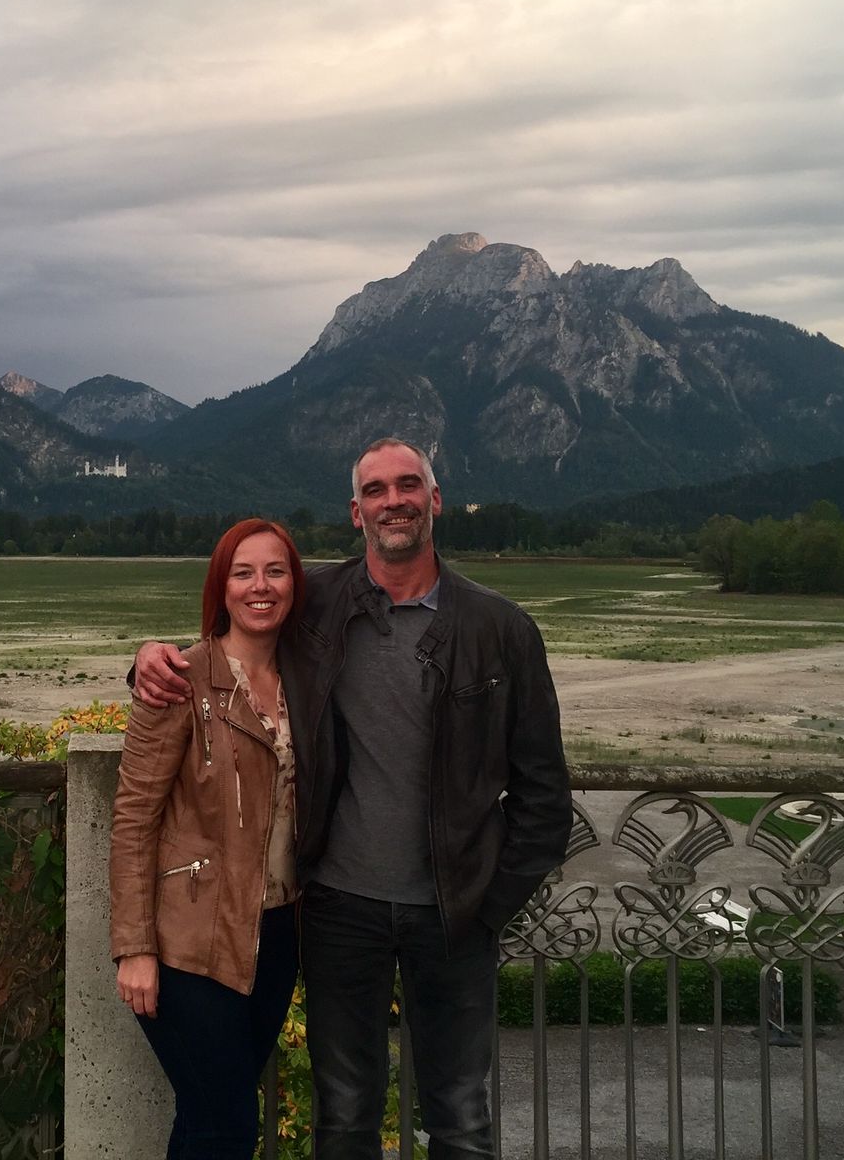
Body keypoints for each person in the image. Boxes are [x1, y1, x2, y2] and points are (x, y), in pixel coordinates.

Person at [132, 438, 572, 1160]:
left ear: (435, 501)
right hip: (338, 909)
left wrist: (490, 903)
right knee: (345, 1113)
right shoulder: (320, 604)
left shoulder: (501, 629)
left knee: (460, 1116)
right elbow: (239, 628)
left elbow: (543, 795)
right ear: (356, 511)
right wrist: (153, 658)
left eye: (408, 486)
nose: (392, 500)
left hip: (455, 912)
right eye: (376, 490)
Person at [110, 517, 307, 1159]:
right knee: (228, 1127)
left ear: (295, 584)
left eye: (275, 571)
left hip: (276, 933)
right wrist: (134, 948)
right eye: (242, 572)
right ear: (219, 587)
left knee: (205, 1119)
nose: (260, 586)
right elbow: (134, 818)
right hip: (187, 942)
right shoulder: (179, 681)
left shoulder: (307, 683)